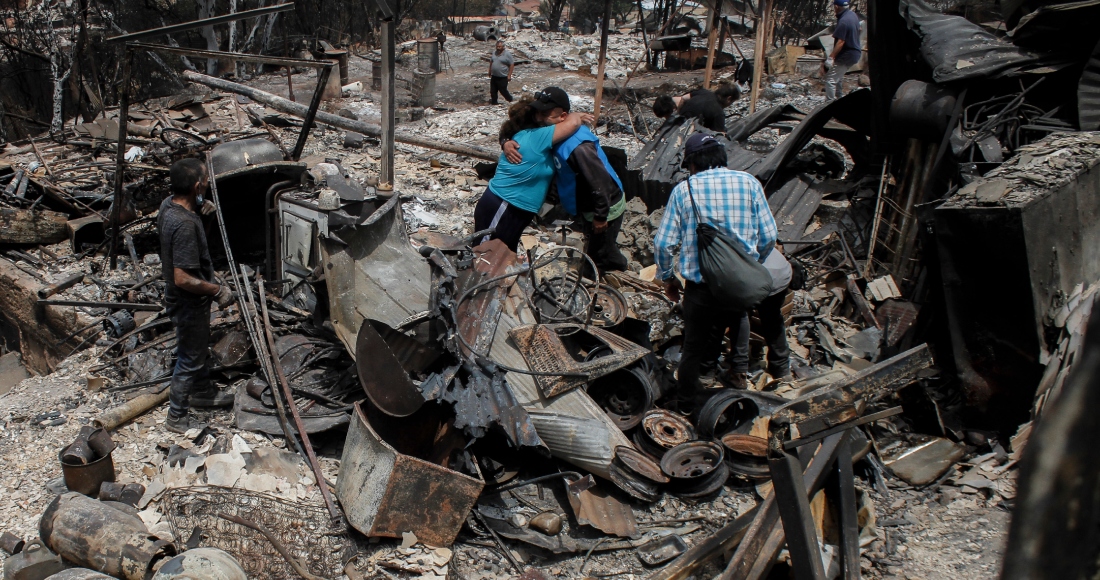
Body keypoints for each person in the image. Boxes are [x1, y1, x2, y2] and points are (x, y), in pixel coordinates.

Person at [653, 133, 777, 409]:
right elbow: (769, 235)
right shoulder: (749, 183)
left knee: (693, 346)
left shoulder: (685, 191)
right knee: (739, 317)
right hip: (740, 282)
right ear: (721, 157)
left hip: (701, 287)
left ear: (692, 164)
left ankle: (686, 400)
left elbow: (663, 243)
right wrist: (750, 264)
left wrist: (668, 278)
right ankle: (737, 374)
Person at [500, 88, 628, 272]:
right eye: (537, 113)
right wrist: (505, 141)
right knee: (596, 243)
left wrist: (600, 216)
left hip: (605, 206)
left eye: (545, 114)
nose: (538, 119)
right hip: (586, 204)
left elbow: (599, 183)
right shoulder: (550, 129)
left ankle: (608, 274)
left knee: (599, 252)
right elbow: (513, 126)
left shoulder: (578, 147)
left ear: (563, 116)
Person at [158, 158, 236, 434]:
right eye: (204, 181)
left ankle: (202, 390)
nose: (207, 184)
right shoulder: (184, 226)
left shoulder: (169, 205)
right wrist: (217, 290)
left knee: (196, 345)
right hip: (187, 301)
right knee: (189, 357)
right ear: (196, 186)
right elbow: (182, 277)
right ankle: (176, 416)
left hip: (182, 299)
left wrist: (203, 213)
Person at [474, 89, 594, 251]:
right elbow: (572, 123)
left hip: (514, 209)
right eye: (541, 113)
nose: (543, 117)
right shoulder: (537, 137)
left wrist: (504, 141)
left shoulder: (529, 135)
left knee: (501, 255)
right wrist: (576, 115)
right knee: (484, 254)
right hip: (504, 206)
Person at [727, 247, 793, 387]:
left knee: (739, 316)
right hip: (779, 272)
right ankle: (781, 369)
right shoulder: (757, 227)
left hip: (756, 276)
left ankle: (738, 373)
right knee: (772, 318)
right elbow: (769, 238)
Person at [652, 85, 741, 133]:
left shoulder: (703, 92)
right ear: (729, 98)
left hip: (679, 124)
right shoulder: (718, 113)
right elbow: (720, 135)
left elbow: (683, 98)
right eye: (731, 102)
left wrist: (679, 113)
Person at [824, 0, 862, 101]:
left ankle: (830, 105)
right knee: (838, 77)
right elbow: (860, 28)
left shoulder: (844, 21)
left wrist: (831, 57)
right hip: (854, 53)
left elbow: (840, 42)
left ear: (836, 6)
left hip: (847, 54)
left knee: (830, 80)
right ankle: (839, 98)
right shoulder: (852, 15)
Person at [489, 40, 515, 105]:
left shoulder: (507, 54)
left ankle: (510, 99)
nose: (498, 48)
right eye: (497, 46)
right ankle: (494, 102)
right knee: (493, 91)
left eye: (500, 47)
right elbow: (491, 62)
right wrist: (489, 71)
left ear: (503, 47)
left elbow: (511, 64)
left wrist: (509, 75)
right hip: (494, 76)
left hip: (503, 76)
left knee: (503, 90)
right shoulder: (494, 53)